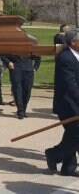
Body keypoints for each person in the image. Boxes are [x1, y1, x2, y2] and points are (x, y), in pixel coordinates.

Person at [45, 28, 79, 177]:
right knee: (75, 134)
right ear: (73, 42)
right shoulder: (65, 58)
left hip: (75, 104)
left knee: (72, 135)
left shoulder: (76, 55)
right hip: (67, 105)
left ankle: (68, 168)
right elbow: (70, 85)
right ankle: (53, 154)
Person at [1, 55, 41, 119]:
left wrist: (35, 68)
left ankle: (23, 109)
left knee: (27, 91)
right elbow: (3, 56)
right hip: (15, 69)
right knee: (17, 90)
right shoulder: (11, 45)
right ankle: (20, 110)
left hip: (28, 70)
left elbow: (38, 57)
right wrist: (8, 62)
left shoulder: (30, 46)